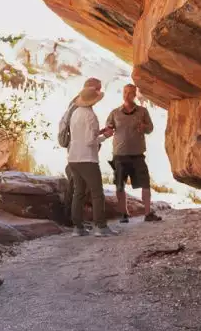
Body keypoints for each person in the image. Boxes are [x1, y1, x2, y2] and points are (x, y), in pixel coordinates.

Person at [106, 84, 162, 223]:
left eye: (130, 92)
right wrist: (107, 131)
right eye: (125, 92)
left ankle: (148, 213)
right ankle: (124, 214)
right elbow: (108, 128)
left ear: (135, 95)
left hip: (137, 154)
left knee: (145, 184)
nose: (126, 94)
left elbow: (150, 128)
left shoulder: (142, 111)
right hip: (119, 154)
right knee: (119, 185)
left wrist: (144, 127)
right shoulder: (114, 113)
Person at [68, 86, 117, 237]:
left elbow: (82, 135)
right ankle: (100, 227)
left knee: (79, 192)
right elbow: (90, 141)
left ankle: (78, 228)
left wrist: (99, 132)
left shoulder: (75, 113)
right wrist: (105, 136)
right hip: (87, 159)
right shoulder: (91, 116)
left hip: (73, 158)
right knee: (97, 193)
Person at [62, 78, 102, 227]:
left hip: (75, 151)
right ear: (91, 89)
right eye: (98, 89)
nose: (99, 92)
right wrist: (101, 137)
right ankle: (70, 220)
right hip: (82, 153)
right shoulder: (81, 109)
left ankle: (76, 222)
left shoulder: (76, 105)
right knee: (78, 188)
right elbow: (87, 138)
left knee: (78, 188)